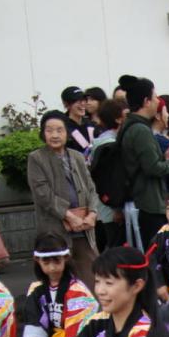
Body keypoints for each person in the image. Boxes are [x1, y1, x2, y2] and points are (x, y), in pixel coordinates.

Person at [28, 110, 100, 286]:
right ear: (42, 133)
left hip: (83, 228)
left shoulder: (76, 156)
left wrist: (92, 213)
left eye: (59, 130)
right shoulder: (36, 158)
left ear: (67, 132)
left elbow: (91, 188)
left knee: (91, 277)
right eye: (49, 130)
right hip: (55, 229)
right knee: (57, 281)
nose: (54, 135)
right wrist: (68, 215)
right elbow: (43, 194)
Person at [118, 77, 169, 248]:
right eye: (154, 97)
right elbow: (152, 168)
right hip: (149, 203)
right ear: (146, 101)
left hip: (142, 200)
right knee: (158, 253)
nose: (157, 101)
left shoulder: (131, 125)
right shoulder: (140, 130)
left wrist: (165, 157)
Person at [91, 97, 130, 250]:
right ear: (118, 118)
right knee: (117, 250)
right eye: (126, 114)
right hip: (111, 208)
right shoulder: (108, 145)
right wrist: (117, 208)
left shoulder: (101, 141)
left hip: (105, 206)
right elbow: (110, 179)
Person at [60, 86, 96, 155]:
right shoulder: (63, 127)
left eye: (84, 100)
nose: (82, 104)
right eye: (77, 101)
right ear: (66, 104)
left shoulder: (91, 124)